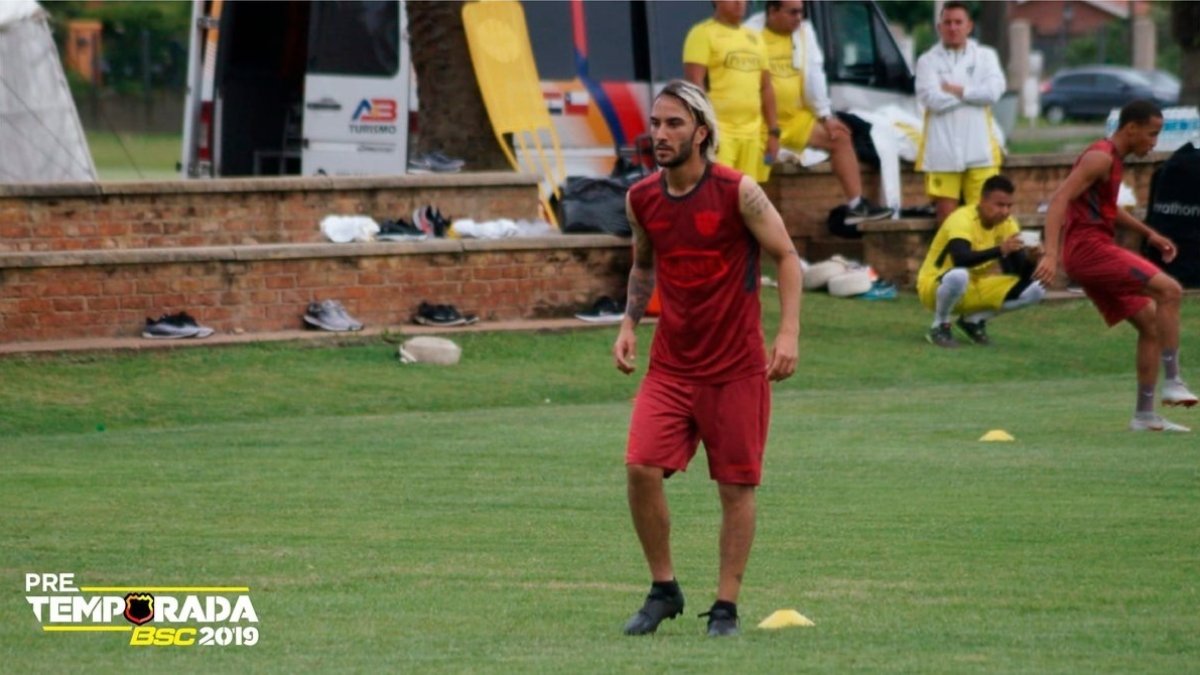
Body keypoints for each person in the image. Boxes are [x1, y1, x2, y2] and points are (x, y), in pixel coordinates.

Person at [613, 79, 802, 637]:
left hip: (736, 369)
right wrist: (628, 323)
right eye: (655, 123)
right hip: (671, 366)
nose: (661, 134)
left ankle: (725, 608)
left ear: (701, 131)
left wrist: (787, 334)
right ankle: (664, 588)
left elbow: (788, 257)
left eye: (673, 124)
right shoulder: (641, 198)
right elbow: (643, 265)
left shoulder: (739, 191)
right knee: (640, 468)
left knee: (735, 487)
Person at [1035, 100, 1198, 432]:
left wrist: (1149, 233)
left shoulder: (1112, 160)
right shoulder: (1100, 157)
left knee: (1151, 324)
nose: (1154, 143)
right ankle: (1174, 380)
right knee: (1170, 290)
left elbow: (1109, 209)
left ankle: (1144, 415)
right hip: (1089, 251)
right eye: (1152, 134)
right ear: (1131, 128)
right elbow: (1059, 200)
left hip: (1093, 250)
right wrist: (1050, 254)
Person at [750, 0, 892, 225]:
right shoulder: (750, 34)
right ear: (772, 11)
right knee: (760, 163)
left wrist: (826, 116)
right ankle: (752, 221)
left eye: (801, 12)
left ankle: (856, 206)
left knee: (840, 136)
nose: (799, 17)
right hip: (758, 123)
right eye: (793, 12)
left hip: (795, 119)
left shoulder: (805, 33)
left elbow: (815, 75)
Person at [917, 175, 1045, 348]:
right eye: (999, 205)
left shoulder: (1008, 224)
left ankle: (973, 320)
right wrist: (1000, 250)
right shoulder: (961, 218)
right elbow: (961, 259)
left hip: (973, 285)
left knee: (1036, 289)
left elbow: (1019, 275)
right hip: (935, 286)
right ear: (982, 201)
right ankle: (940, 325)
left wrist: (1031, 259)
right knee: (959, 275)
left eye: (1009, 206)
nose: (1005, 211)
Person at [914, 0, 1005, 225]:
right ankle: (954, 261)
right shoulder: (927, 61)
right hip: (942, 152)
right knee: (947, 218)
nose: (953, 28)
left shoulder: (985, 57)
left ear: (969, 26)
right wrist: (973, 93)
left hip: (980, 150)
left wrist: (957, 90)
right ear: (939, 27)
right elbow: (930, 98)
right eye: (947, 23)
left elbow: (993, 93)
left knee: (985, 217)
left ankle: (982, 260)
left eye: (958, 22)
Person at [683, 0, 778, 183]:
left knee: (747, 194)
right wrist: (708, 128)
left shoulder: (755, 38)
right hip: (721, 132)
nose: (739, 3)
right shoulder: (702, 33)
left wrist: (773, 132)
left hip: (752, 133)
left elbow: (766, 87)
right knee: (718, 189)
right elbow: (695, 83)